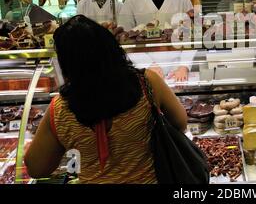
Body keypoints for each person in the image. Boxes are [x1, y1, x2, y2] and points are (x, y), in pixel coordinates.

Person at [24, 15, 187, 183]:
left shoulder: (60, 109)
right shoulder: (146, 83)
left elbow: (36, 168)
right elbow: (181, 123)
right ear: (111, 47)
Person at [118, 0, 196, 82]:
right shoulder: (132, 1)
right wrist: (148, 65)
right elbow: (124, 42)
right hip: (144, 70)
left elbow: (192, 39)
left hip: (177, 70)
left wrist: (184, 66)